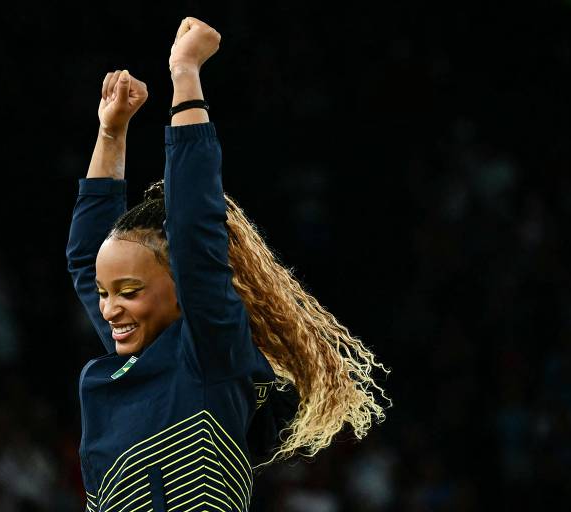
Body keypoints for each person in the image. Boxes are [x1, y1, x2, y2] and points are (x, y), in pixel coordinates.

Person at [66, 17, 391, 512]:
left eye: (128, 291)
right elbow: (86, 257)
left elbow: (197, 232)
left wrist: (186, 74)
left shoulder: (208, 357)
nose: (109, 309)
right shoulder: (120, 368)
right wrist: (111, 135)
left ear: (181, 290)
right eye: (106, 294)